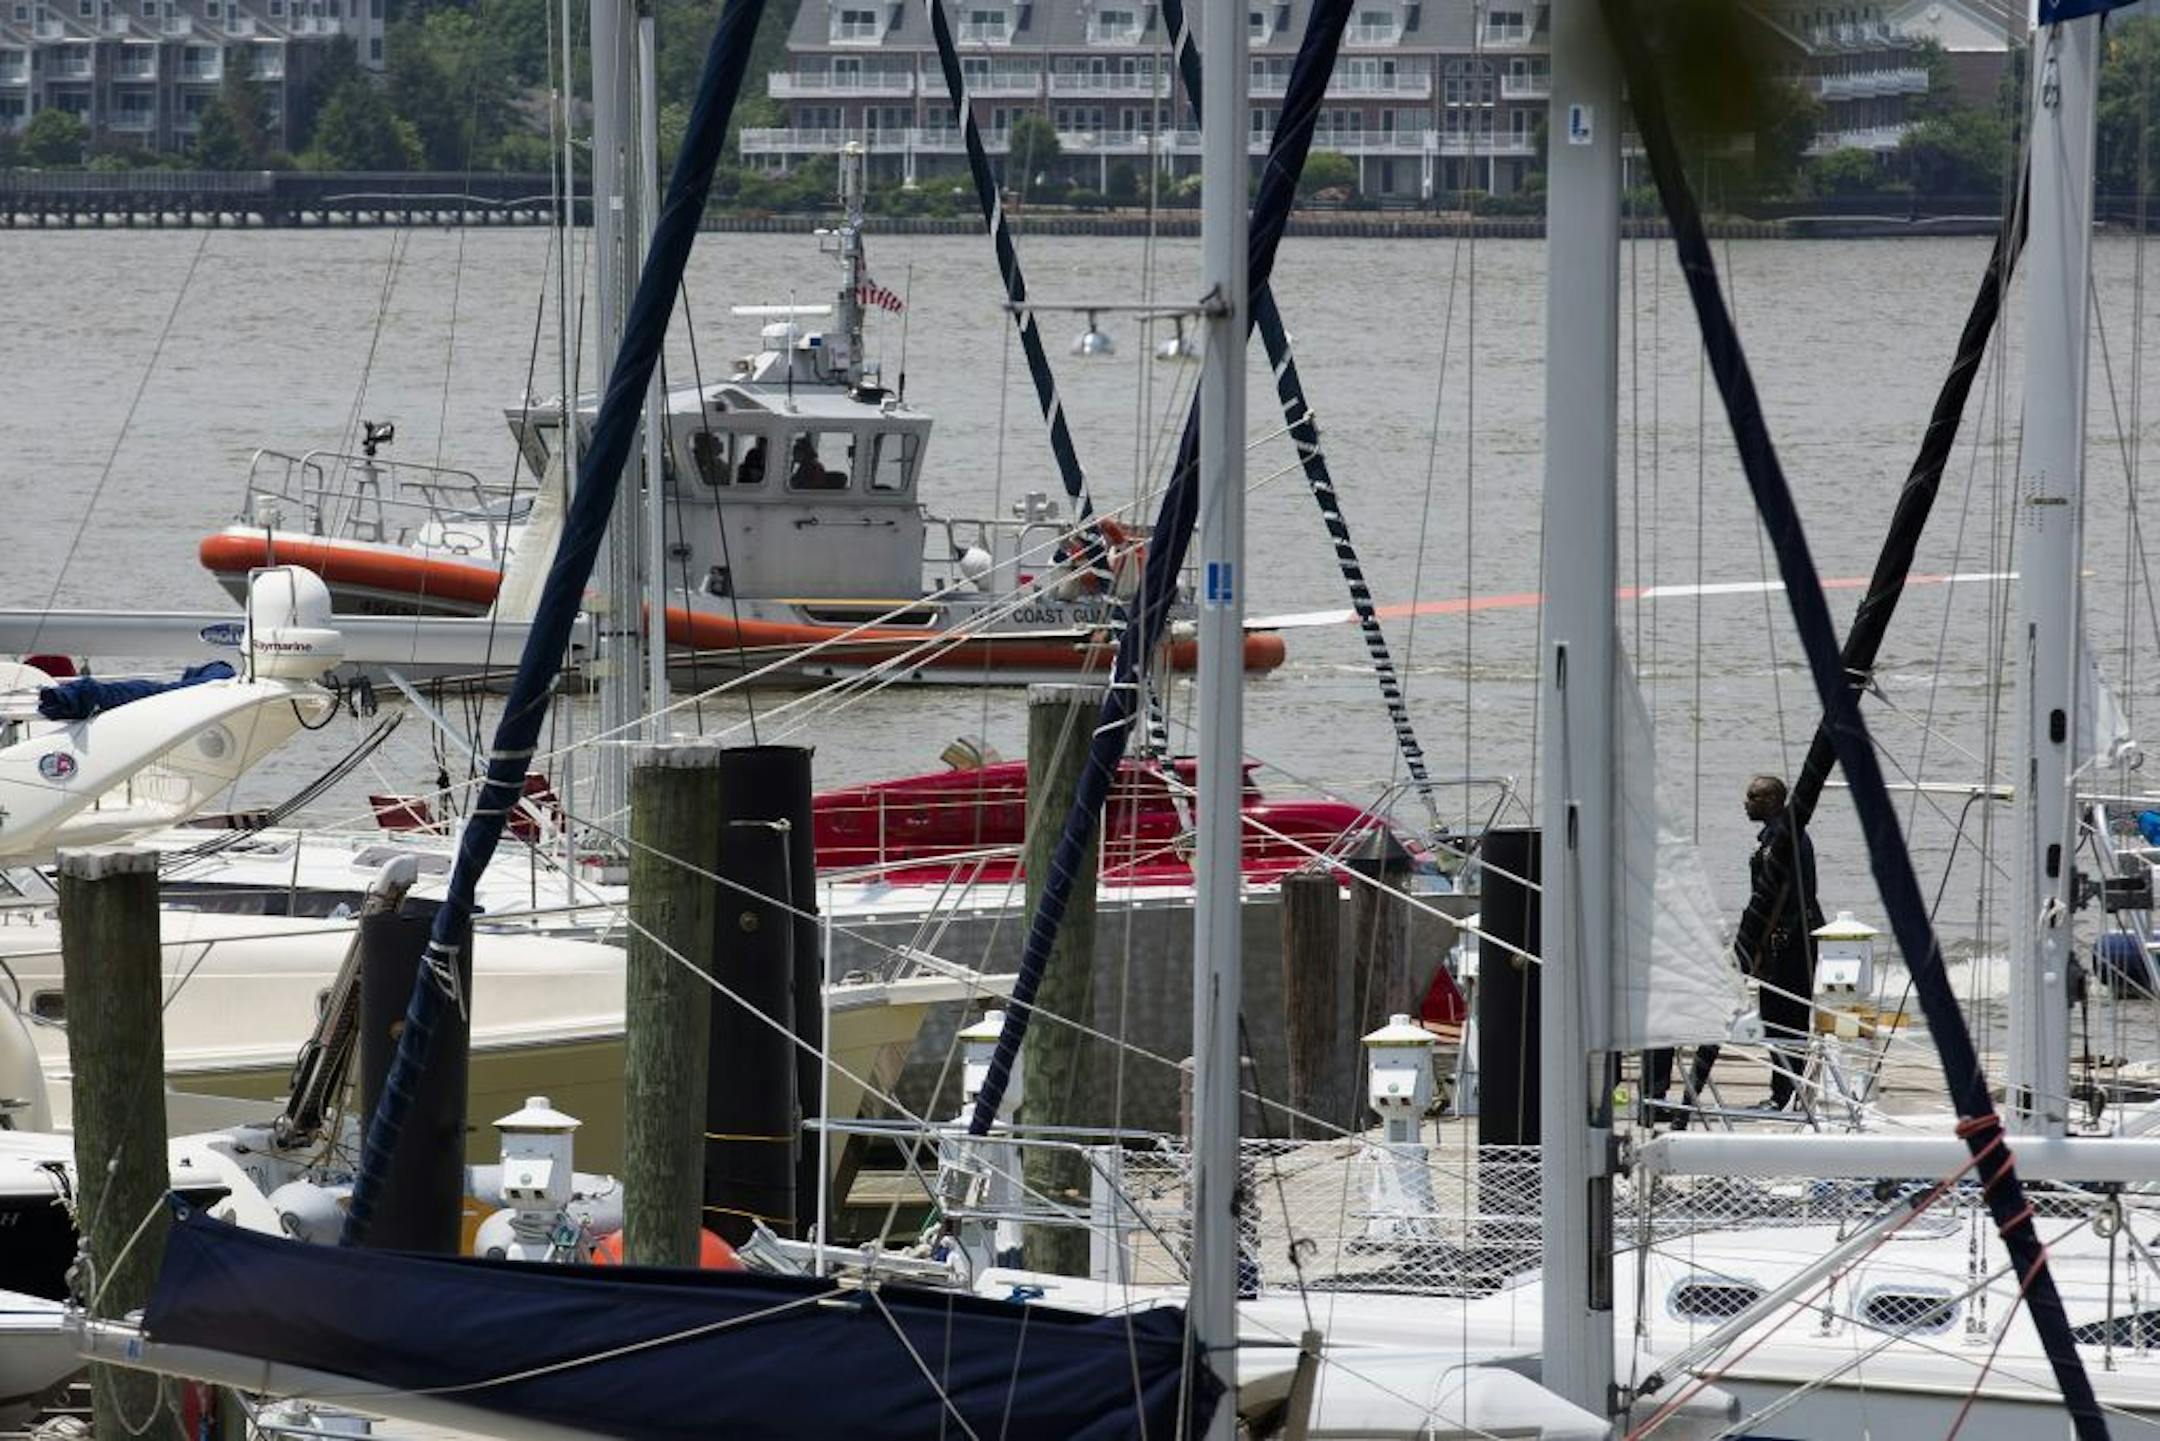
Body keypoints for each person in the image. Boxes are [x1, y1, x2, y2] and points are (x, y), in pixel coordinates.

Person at [1645, 774, 1825, 1122]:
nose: (1746, 802)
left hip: (1789, 941)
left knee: (1785, 1017)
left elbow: (1782, 897)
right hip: (1781, 939)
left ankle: (1784, 1094)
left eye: (1753, 797)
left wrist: (1761, 945)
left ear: (1773, 801)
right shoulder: (1775, 837)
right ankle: (1784, 1092)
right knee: (1775, 1016)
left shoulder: (1784, 839)